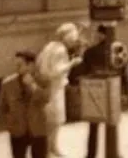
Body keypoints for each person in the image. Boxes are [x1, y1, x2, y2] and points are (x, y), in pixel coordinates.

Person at [37, 22, 83, 157]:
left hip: (45, 86)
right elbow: (56, 71)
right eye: (73, 39)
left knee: (50, 120)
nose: (73, 43)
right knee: (55, 120)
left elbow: (39, 63)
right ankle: (51, 148)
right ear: (67, 38)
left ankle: (50, 148)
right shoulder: (60, 50)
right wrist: (71, 64)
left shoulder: (49, 46)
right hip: (55, 88)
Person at [0, 51, 50, 158]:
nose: (16, 67)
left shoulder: (43, 80)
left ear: (30, 65)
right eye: (15, 64)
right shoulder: (8, 83)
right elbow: (2, 107)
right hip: (17, 129)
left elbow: (45, 99)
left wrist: (33, 86)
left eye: (19, 64)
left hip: (38, 129)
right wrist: (9, 124)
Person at [80, 25, 110, 158]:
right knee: (111, 125)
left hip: (94, 89)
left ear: (100, 35)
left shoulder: (90, 52)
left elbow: (82, 71)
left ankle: (91, 155)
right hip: (111, 90)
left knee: (93, 127)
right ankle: (111, 152)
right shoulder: (116, 50)